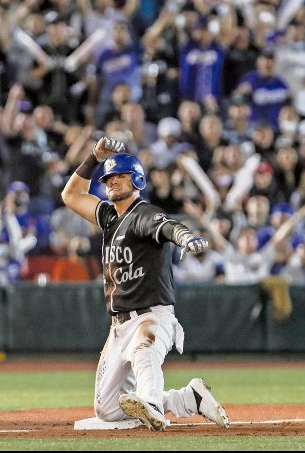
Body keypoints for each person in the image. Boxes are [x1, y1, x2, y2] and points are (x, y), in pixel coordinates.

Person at [61, 136, 229, 431]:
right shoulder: (110, 217)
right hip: (118, 325)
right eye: (109, 177)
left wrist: (186, 237)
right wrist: (93, 158)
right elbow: (71, 195)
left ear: (137, 178)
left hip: (151, 316)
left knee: (145, 348)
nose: (112, 181)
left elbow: (167, 226)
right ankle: (189, 399)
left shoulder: (144, 213)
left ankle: (151, 402)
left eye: (120, 176)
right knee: (108, 410)